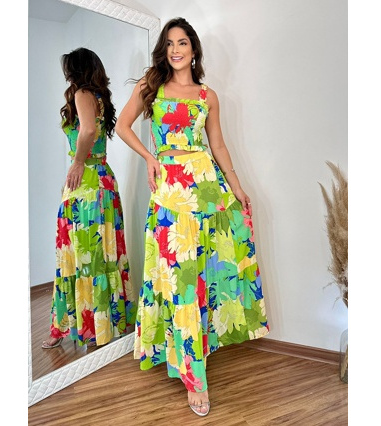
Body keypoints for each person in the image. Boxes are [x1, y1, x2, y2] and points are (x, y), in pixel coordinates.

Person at [116, 18, 269, 417]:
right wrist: (150, 157)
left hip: (206, 188)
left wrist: (237, 187)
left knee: (203, 278)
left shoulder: (207, 96)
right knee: (180, 281)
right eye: (169, 43)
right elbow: (122, 126)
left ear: (194, 49)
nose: (175, 49)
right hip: (169, 191)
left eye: (182, 42)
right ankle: (194, 379)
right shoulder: (151, 86)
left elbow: (218, 144)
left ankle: (196, 359)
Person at [42, 47, 137, 350]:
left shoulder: (82, 93)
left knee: (82, 256)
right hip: (103, 181)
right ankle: (103, 325)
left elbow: (87, 130)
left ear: (75, 70)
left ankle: (77, 327)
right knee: (103, 254)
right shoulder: (99, 97)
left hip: (87, 186)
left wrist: (77, 162)